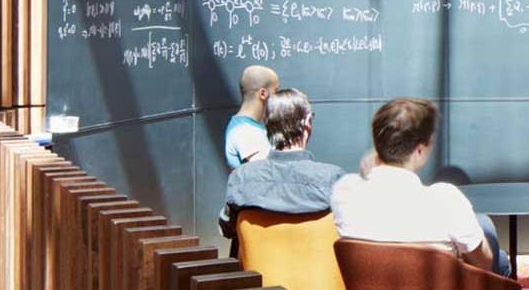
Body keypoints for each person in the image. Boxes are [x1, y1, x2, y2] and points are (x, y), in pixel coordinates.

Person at [331, 98, 513, 277]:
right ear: (419, 150)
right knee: (498, 254)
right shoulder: (446, 201)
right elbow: (485, 264)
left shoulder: (345, 193)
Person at [219, 89, 343, 241]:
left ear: (267, 125)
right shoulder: (333, 179)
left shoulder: (241, 178)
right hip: (318, 264)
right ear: (308, 122)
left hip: (258, 264)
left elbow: (227, 229)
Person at [224, 65, 280, 168]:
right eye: (276, 91)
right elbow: (267, 172)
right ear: (263, 94)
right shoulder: (245, 131)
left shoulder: (248, 127)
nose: (278, 98)